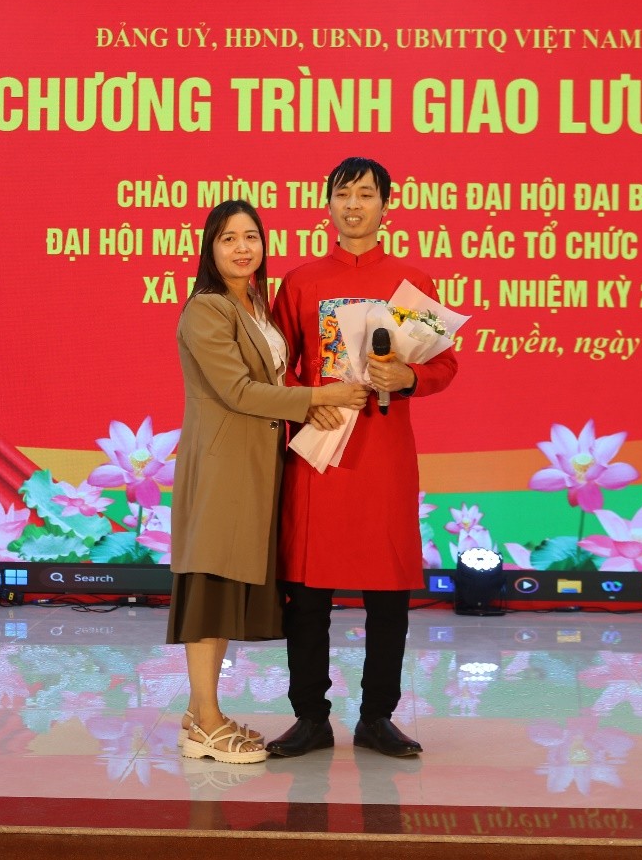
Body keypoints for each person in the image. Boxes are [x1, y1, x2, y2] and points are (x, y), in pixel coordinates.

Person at [267, 157, 458, 759]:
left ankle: (377, 716)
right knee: (308, 593)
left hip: (384, 453)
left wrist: (408, 376)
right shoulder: (300, 282)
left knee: (388, 592)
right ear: (327, 204)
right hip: (320, 451)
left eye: (366, 194)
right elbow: (278, 365)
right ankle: (310, 717)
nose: (354, 205)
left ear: (385, 205)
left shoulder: (410, 283)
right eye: (343, 194)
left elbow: (444, 364)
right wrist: (306, 402)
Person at [168, 199, 368, 765]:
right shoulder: (207, 308)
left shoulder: (255, 303)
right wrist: (319, 397)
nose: (242, 248)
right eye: (228, 238)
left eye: (251, 236)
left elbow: (274, 379)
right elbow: (237, 390)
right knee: (210, 587)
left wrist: (310, 403)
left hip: (256, 465)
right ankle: (207, 721)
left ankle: (199, 713)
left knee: (226, 586)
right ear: (210, 248)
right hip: (223, 468)